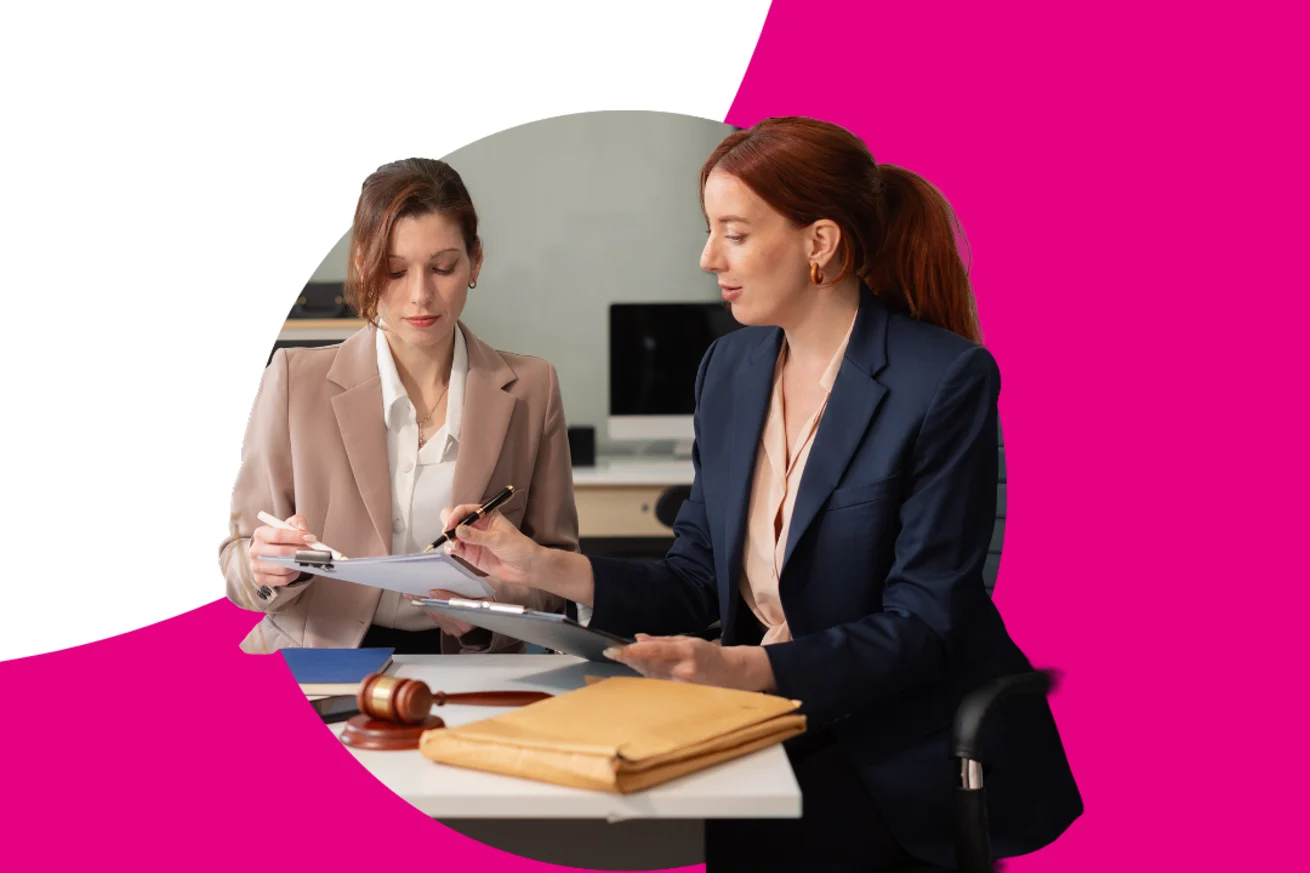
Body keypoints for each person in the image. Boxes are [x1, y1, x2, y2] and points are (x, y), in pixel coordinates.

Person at [437, 118, 1082, 871]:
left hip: (892, 743)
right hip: (759, 717)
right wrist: (538, 564)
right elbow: (693, 580)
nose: (708, 257)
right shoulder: (730, 368)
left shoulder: (942, 380)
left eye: (734, 234)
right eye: (710, 230)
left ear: (820, 244)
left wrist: (743, 669)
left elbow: (923, 623)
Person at [220, 158, 579, 655]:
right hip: (318, 658)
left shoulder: (532, 390)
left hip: (468, 662)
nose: (420, 295)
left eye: (443, 268)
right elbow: (237, 563)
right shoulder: (292, 380)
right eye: (395, 271)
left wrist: (485, 613)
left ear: (475, 261)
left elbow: (559, 574)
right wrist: (267, 567)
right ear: (363, 265)